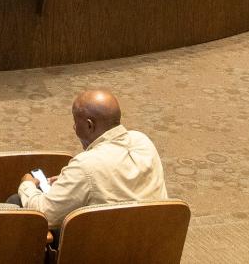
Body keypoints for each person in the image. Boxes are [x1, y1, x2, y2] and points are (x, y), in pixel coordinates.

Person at [13, 89, 167, 228]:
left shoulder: (85, 165)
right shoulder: (143, 141)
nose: (74, 129)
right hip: (152, 241)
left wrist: (27, 185)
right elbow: (118, 176)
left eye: (75, 123)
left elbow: (44, 214)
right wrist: (69, 180)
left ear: (89, 125)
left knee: (15, 203)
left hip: (105, 249)